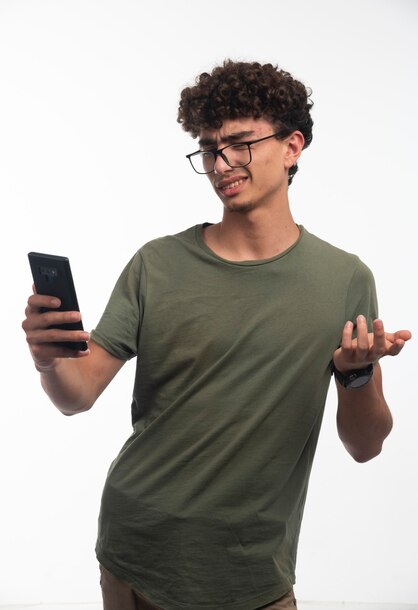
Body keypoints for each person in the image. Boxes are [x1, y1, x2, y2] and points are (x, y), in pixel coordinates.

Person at [22, 60, 411, 610]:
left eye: (241, 143)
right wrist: (47, 360)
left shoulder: (345, 279)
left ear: (293, 146)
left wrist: (357, 374)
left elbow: (366, 446)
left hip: (252, 575)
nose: (221, 162)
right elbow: (77, 395)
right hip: (136, 554)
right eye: (208, 149)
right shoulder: (156, 264)